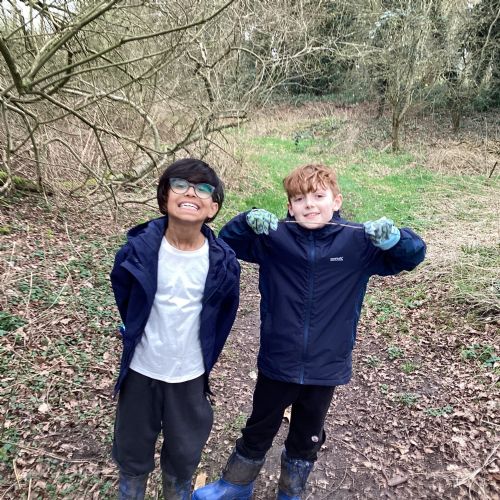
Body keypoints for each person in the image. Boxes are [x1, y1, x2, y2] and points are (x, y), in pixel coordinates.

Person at [193, 163, 426, 500]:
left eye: (318, 196)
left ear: (336, 201)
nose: (309, 205)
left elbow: (412, 257)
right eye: (300, 199)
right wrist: (246, 221)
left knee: (308, 433)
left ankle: (291, 491)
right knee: (260, 424)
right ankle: (236, 484)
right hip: (279, 356)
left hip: (327, 361)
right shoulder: (274, 238)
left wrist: (396, 239)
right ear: (290, 207)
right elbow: (227, 244)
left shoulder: (358, 242)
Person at [110, 158, 240, 500]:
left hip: (190, 376)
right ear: (165, 196)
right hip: (141, 372)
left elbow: (224, 316)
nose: (191, 193)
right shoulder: (137, 250)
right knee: (132, 458)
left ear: (213, 208)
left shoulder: (223, 262)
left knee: (183, 461)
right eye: (180, 185)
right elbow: (126, 296)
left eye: (203, 189)